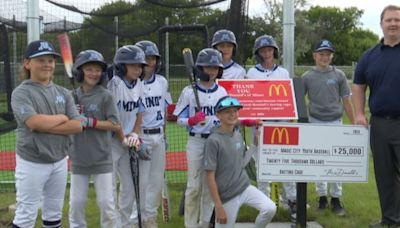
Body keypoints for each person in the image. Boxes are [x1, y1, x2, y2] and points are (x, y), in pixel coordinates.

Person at [10, 40, 82, 228]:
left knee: (54, 212)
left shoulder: (63, 92)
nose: (47, 64)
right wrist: (61, 116)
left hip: (59, 160)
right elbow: (34, 122)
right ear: (27, 64)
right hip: (31, 161)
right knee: (26, 214)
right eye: (40, 60)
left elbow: (77, 126)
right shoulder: (21, 93)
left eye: (50, 60)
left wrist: (45, 125)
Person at [352, 5, 400, 227]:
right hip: (379, 125)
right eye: (389, 20)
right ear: (381, 24)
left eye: (397, 20)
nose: (393, 24)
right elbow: (359, 86)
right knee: (384, 175)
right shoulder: (369, 56)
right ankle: (389, 219)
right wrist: (359, 113)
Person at [173, 48, 228, 228]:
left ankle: (204, 223)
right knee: (194, 187)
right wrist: (191, 120)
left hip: (214, 141)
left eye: (215, 68)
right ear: (199, 69)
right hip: (196, 140)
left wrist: (221, 124)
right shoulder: (189, 91)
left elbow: (227, 117)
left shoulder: (222, 92)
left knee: (210, 187)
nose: (211, 72)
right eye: (207, 68)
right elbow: (177, 119)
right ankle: (190, 224)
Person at [68, 50, 123, 227]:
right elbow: (66, 123)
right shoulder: (71, 97)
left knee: (106, 204)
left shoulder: (105, 95)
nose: (94, 73)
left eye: (98, 70)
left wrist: (90, 122)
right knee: (76, 204)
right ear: (80, 71)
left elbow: (115, 124)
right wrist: (73, 117)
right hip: (79, 157)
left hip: (102, 157)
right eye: (89, 69)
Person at [204, 96, 277, 228]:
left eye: (235, 111)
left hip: (244, 187)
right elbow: (210, 177)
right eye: (227, 111)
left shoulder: (237, 135)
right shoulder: (213, 141)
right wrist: (219, 207)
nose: (232, 114)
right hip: (227, 196)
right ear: (218, 115)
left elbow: (242, 163)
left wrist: (254, 144)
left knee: (270, 208)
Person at [245, 34, 297, 217]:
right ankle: (264, 206)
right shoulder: (251, 73)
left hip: (281, 125)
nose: (266, 53)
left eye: (269, 49)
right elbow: (249, 101)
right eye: (262, 50)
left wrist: (290, 120)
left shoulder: (283, 72)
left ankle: (292, 201)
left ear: (274, 51)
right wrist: (255, 125)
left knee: (285, 163)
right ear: (258, 53)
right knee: (262, 167)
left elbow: (287, 99)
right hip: (260, 125)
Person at [302, 39, 355, 216]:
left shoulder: (339, 75)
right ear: (314, 56)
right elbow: (299, 101)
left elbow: (346, 100)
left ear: (331, 56)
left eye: (327, 54)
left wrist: (354, 123)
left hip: (335, 122)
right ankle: (322, 196)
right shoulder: (307, 76)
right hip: (315, 121)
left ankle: (336, 198)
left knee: (336, 161)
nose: (324, 57)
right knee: (318, 161)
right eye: (321, 54)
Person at [133, 40, 172, 228]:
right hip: (140, 136)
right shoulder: (131, 84)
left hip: (159, 135)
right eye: (145, 58)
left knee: (156, 180)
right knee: (139, 181)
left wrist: (165, 134)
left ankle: (149, 219)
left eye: (152, 58)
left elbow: (164, 109)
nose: (149, 62)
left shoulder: (162, 82)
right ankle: (133, 220)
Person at [107, 45, 146, 228]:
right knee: (110, 188)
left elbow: (139, 112)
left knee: (129, 188)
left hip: (128, 140)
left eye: (139, 66)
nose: (137, 69)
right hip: (111, 141)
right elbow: (112, 117)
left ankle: (123, 224)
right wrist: (123, 137)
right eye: (133, 65)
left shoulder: (139, 84)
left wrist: (135, 134)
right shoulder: (114, 84)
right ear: (122, 66)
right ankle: (112, 224)